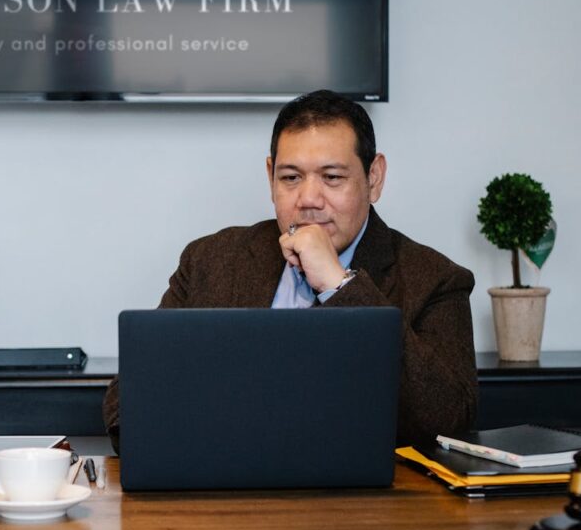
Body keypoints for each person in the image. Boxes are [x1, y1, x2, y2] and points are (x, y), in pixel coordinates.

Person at [103, 89, 477, 452]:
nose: (309, 200)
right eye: (290, 178)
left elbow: (447, 424)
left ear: (374, 178)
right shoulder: (209, 260)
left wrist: (339, 287)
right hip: (227, 493)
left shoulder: (435, 279)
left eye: (332, 177)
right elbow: (126, 406)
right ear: (270, 177)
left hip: (365, 507)